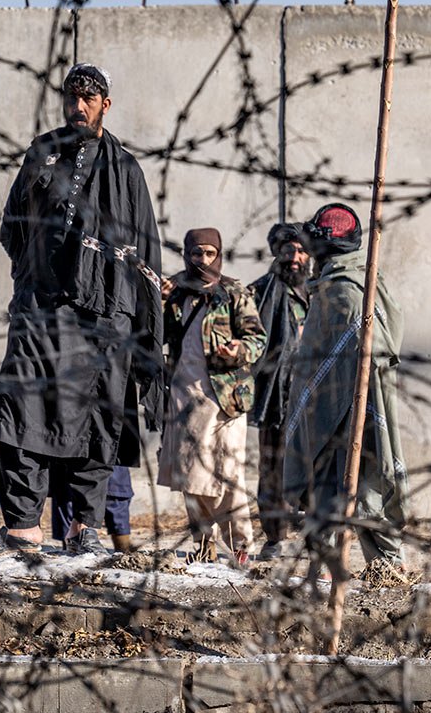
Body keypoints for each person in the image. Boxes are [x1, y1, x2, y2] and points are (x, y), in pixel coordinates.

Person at [0, 63, 164, 557]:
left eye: (89, 97)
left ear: (106, 104)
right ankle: (23, 525)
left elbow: (142, 246)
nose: (78, 105)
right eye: (72, 96)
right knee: (23, 406)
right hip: (41, 310)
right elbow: (14, 227)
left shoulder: (125, 169)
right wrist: (37, 273)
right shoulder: (41, 154)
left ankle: (83, 526)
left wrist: (133, 316)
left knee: (97, 416)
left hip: (104, 316)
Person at [283, 203, 409, 576]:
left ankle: (389, 574)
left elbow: (375, 353)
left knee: (365, 492)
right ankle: (322, 573)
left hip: (358, 413)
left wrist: (358, 404)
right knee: (324, 493)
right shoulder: (337, 283)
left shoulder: (349, 291)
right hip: (328, 412)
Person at [158, 228, 266, 565]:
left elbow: (257, 340)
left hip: (224, 398)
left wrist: (238, 349)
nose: (202, 260)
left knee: (227, 474)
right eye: (196, 253)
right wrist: (159, 301)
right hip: (184, 396)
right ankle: (203, 542)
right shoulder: (176, 292)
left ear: (217, 254)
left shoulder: (233, 293)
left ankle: (240, 547)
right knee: (191, 475)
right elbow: (158, 335)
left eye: (209, 253)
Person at [247, 222, 311, 559]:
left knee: (316, 466)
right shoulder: (260, 293)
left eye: (301, 251)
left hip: (314, 396)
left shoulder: (319, 292)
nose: (295, 258)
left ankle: (317, 537)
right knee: (273, 467)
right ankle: (275, 538)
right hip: (276, 393)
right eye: (289, 250)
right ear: (277, 252)